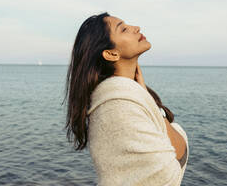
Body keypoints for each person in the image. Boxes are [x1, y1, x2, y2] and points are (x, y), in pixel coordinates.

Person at [63, 12, 188, 185]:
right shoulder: (117, 105)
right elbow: (167, 172)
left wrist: (147, 97)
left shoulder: (132, 95)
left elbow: (178, 153)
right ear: (111, 54)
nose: (136, 28)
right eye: (123, 29)